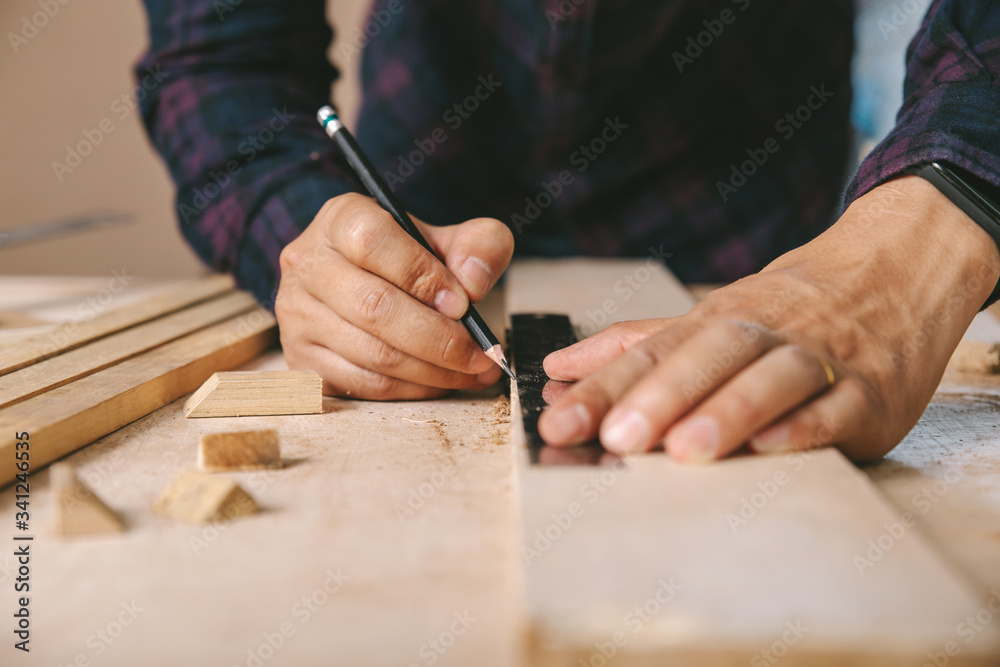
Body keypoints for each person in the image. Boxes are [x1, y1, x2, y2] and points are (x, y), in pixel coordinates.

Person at [136, 0, 1000, 462]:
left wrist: (930, 221)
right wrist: (301, 223)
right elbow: (221, 63)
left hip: (749, 227)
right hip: (427, 207)